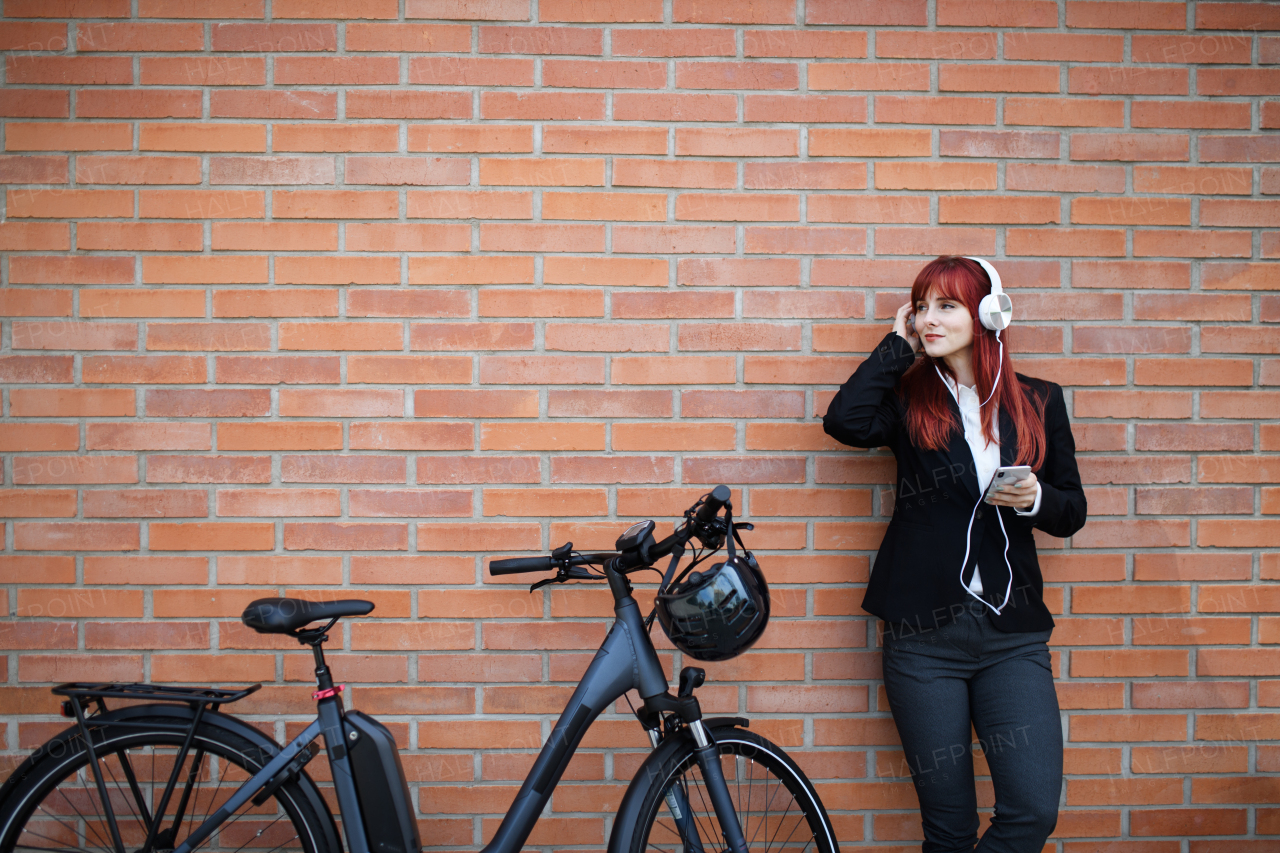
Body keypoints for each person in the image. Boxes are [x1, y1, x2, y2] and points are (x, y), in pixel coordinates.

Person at [822, 256, 1087, 853]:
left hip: (1011, 638)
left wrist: (1036, 497)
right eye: (922, 307)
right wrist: (897, 344)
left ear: (989, 313)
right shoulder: (908, 396)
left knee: (1031, 812)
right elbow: (845, 421)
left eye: (947, 306)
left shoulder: (1040, 400)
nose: (930, 319)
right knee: (949, 831)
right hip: (923, 640)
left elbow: (1072, 511)